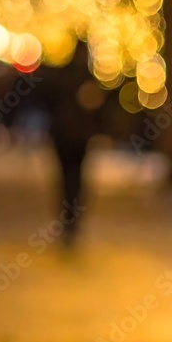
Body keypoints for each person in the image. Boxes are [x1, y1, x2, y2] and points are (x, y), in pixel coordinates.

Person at [36, 45, 101, 243]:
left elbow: (46, 100)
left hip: (62, 135)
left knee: (64, 176)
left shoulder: (60, 77)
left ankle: (66, 215)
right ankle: (73, 218)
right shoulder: (87, 78)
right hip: (79, 136)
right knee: (77, 176)